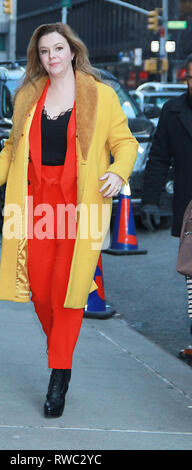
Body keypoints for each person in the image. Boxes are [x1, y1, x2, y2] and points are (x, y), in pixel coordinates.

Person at [0, 22, 138, 417]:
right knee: (41, 291)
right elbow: (11, 151)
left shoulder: (100, 95)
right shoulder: (27, 94)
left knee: (70, 291)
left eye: (58, 49)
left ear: (72, 51)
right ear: (37, 56)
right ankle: (61, 349)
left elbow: (124, 143)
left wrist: (118, 172)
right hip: (35, 207)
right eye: (44, 51)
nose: (52, 57)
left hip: (81, 208)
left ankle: (59, 373)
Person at [141, 54, 192, 359]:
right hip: (190, 209)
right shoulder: (172, 111)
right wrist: (149, 200)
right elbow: (159, 158)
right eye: (191, 78)